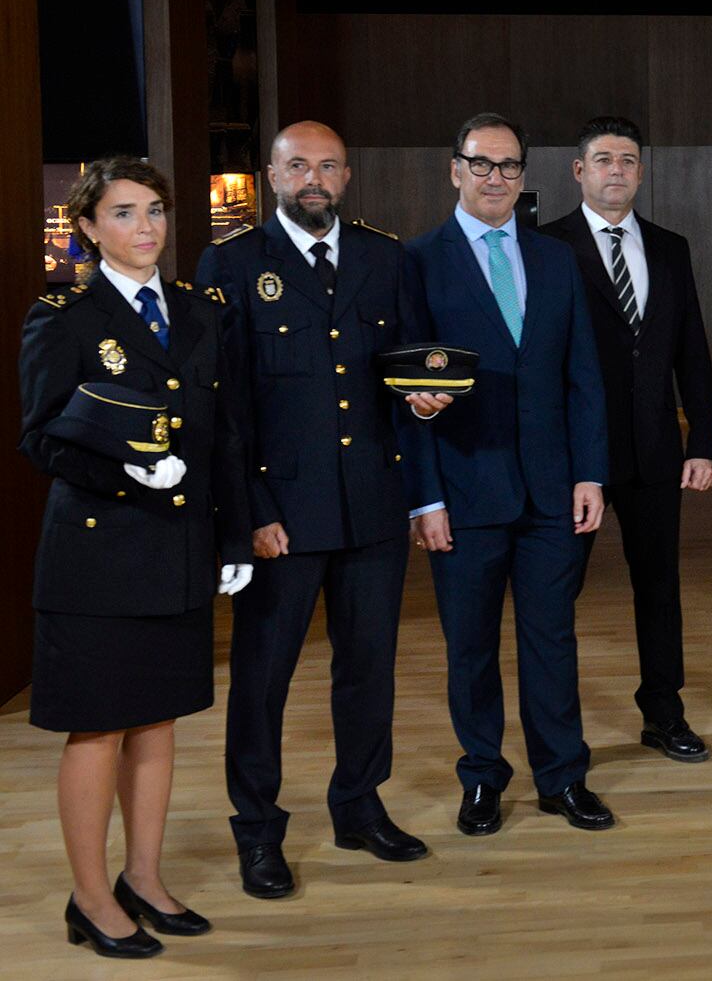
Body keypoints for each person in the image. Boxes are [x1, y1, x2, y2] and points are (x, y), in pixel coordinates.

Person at [195, 121, 442, 899]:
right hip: (282, 515)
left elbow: (405, 371)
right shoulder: (232, 264)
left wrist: (426, 402)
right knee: (263, 678)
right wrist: (250, 511)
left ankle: (359, 805)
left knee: (367, 668)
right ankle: (258, 830)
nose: (314, 177)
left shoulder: (383, 256)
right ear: (270, 176)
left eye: (328, 165)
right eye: (298, 164)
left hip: (372, 504)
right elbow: (223, 404)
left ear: (346, 176)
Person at [20, 158, 251, 958]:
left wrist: (233, 535)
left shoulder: (193, 311)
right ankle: (89, 897)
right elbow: (42, 433)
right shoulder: (65, 314)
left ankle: (143, 877)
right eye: (123, 213)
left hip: (179, 547)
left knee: (157, 719)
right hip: (98, 554)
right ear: (88, 227)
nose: (146, 227)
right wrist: (124, 469)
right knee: (97, 727)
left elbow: (222, 432)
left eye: (154, 210)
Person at [399, 112, 614, 835]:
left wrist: (591, 472)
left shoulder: (555, 259)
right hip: (463, 492)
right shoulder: (419, 261)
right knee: (471, 644)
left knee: (554, 639)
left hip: (552, 490)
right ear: (454, 168)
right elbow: (407, 396)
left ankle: (562, 776)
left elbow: (583, 374)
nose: (496, 177)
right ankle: (483, 776)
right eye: (482, 163)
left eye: (509, 166)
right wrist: (424, 496)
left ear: (524, 176)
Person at [540, 116, 712, 763]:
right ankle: (559, 733)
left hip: (654, 451)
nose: (616, 169)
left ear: (641, 171)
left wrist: (703, 438)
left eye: (628, 159)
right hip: (574, 458)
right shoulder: (547, 246)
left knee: (659, 588)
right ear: (579, 171)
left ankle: (664, 714)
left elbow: (690, 351)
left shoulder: (670, 247)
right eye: (604, 159)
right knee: (558, 594)